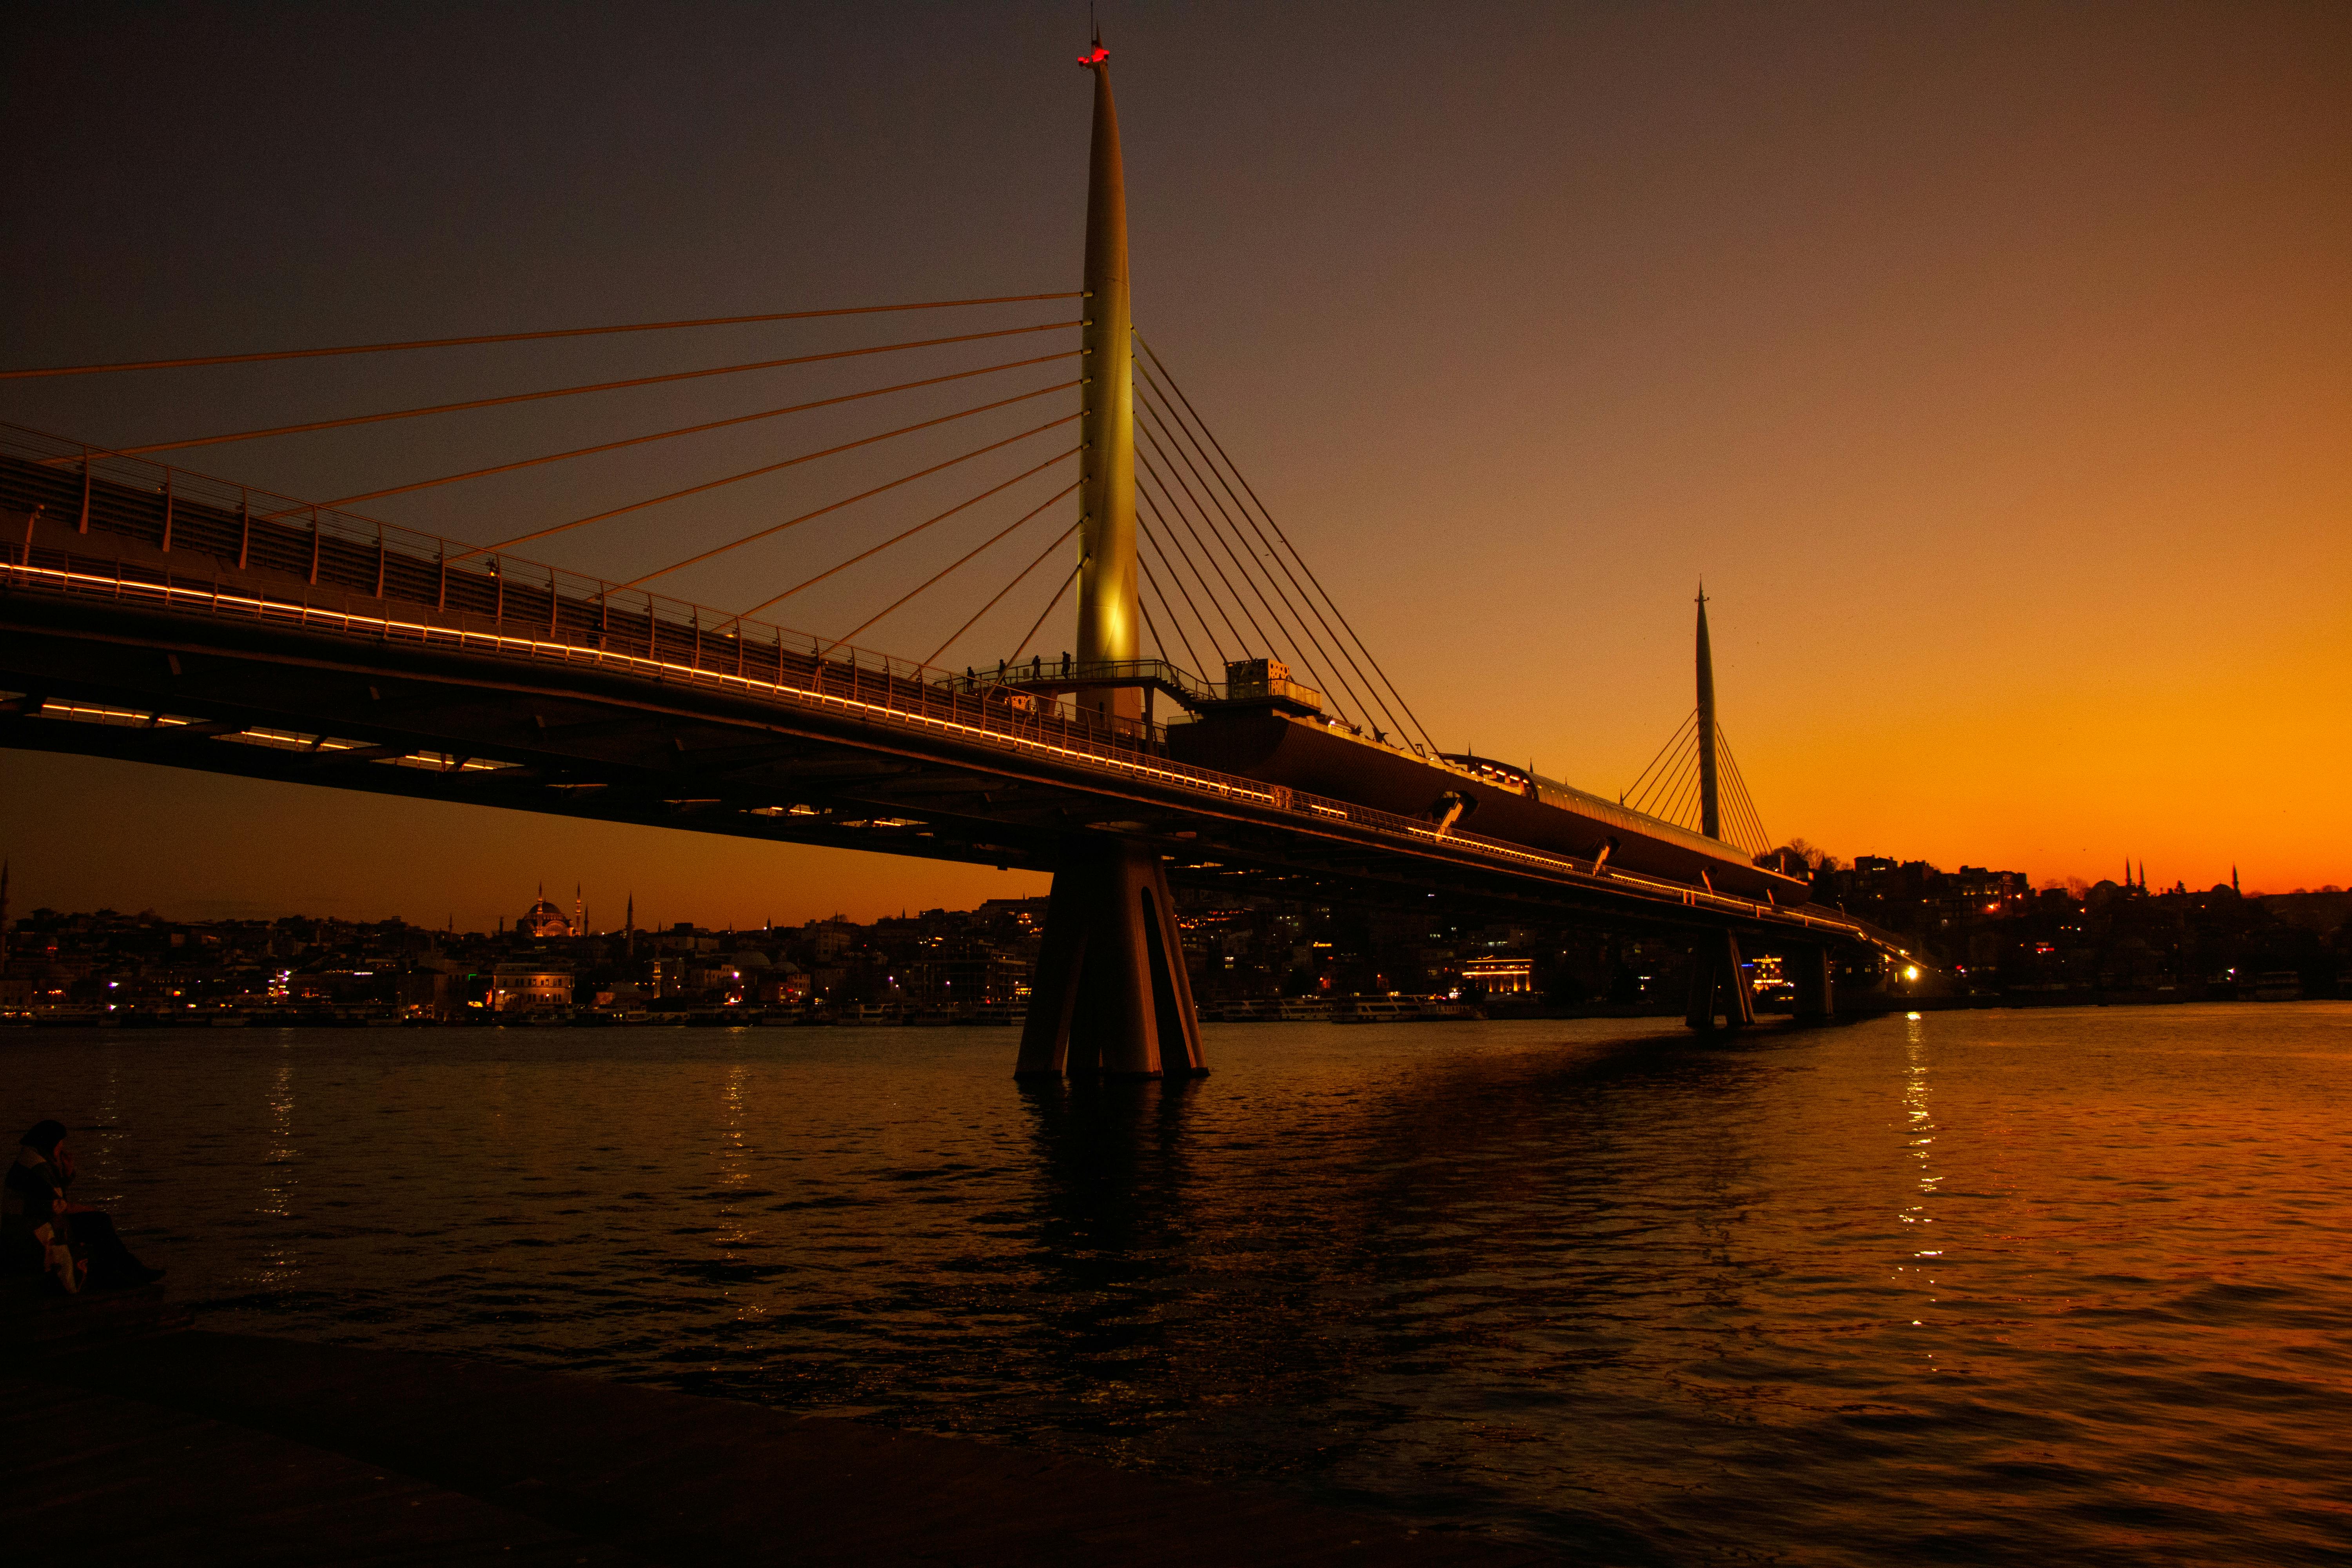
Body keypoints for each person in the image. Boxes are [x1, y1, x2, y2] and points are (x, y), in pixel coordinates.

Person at [2, 1121, 163, 1292]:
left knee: (97, 1222)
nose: (62, 1148)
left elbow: (50, 1198)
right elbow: (59, 1206)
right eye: (60, 1143)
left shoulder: (31, 1158)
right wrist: (88, 1209)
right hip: (34, 1229)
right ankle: (119, 1274)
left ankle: (128, 1271)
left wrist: (67, 1174)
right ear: (51, 1143)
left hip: (32, 1222)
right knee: (99, 1222)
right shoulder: (38, 1166)